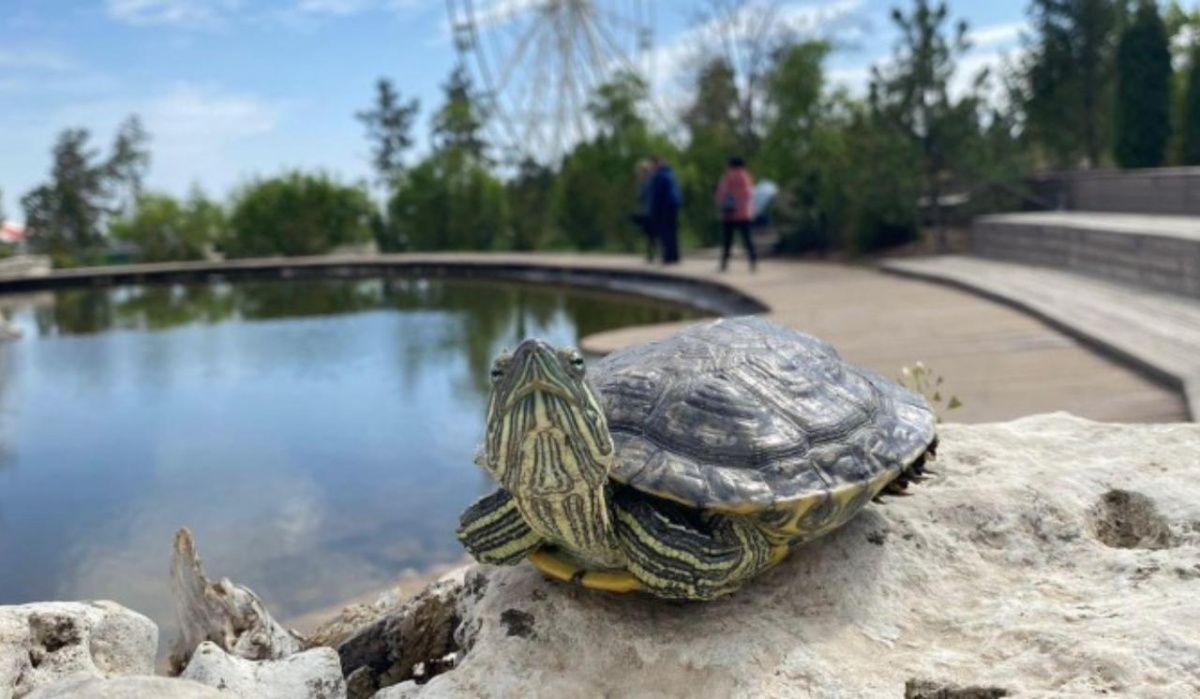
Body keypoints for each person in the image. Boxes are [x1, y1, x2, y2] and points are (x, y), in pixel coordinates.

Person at [714, 157, 756, 272]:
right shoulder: (746, 177)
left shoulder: (728, 176)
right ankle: (753, 262)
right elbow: (750, 193)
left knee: (727, 241)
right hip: (744, 213)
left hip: (730, 214)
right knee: (748, 239)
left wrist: (721, 203)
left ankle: (724, 264)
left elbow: (721, 194)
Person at [649, 156, 682, 265]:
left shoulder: (660, 176)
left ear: (657, 164)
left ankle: (668, 257)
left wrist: (655, 210)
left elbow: (658, 194)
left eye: (653, 165)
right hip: (674, 204)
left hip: (666, 206)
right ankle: (675, 256)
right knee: (673, 231)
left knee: (666, 232)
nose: (652, 168)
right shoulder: (670, 173)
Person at [631, 159, 657, 263]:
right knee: (650, 234)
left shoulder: (648, 181)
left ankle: (651, 254)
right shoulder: (646, 181)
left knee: (651, 234)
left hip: (650, 211)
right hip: (647, 210)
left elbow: (643, 196)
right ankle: (650, 254)